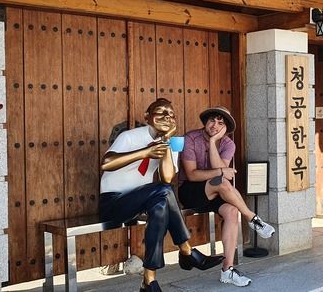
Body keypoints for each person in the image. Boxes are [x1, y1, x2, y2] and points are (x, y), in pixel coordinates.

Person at [99, 98, 224, 292]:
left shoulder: (172, 142)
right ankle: (186, 250)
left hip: (142, 203)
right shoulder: (130, 137)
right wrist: (145, 152)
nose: (167, 117)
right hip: (114, 203)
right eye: (160, 112)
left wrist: (166, 141)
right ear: (147, 117)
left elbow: (166, 179)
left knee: (160, 204)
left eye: (171, 114)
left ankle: (149, 279)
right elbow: (106, 162)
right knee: (163, 196)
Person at [178, 106, 275, 287]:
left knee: (231, 211)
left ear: (225, 128)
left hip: (215, 193)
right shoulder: (190, 138)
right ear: (205, 122)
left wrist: (214, 142)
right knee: (222, 182)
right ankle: (252, 218)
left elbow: (219, 173)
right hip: (190, 192)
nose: (215, 125)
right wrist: (222, 171)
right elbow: (191, 174)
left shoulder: (228, 144)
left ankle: (227, 270)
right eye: (212, 121)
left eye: (220, 123)